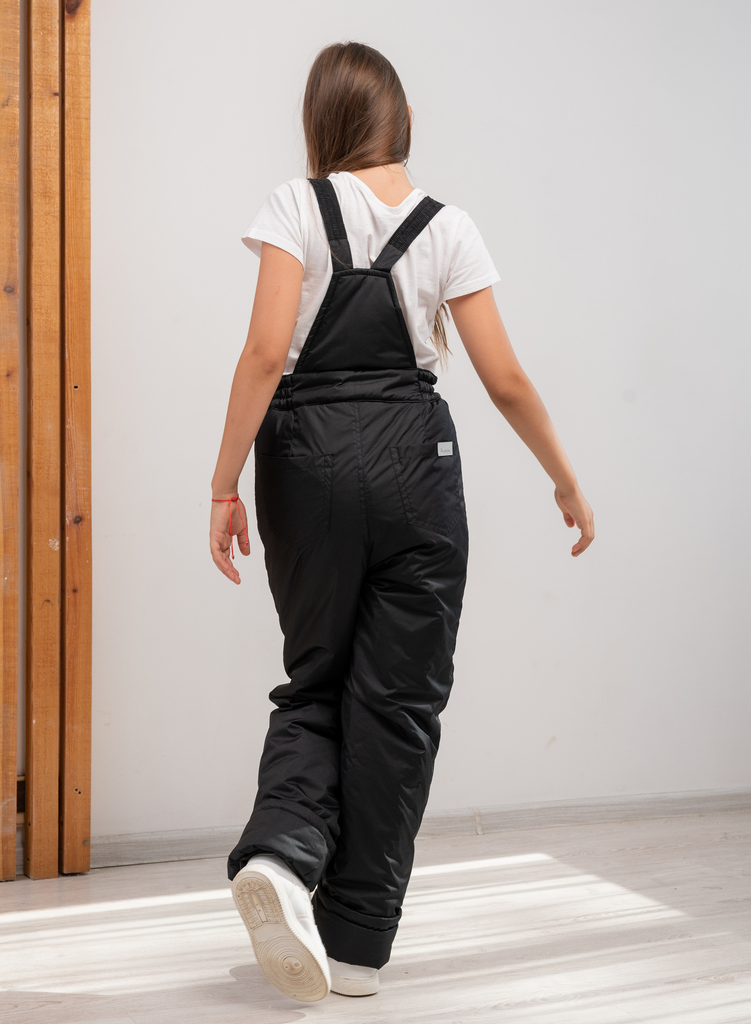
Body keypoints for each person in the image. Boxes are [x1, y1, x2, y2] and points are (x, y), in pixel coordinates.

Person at [209, 41, 594, 1004]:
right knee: (399, 706)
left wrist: (222, 484)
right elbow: (506, 379)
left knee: (317, 680)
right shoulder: (449, 226)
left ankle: (283, 855)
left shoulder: (295, 205)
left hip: (306, 463)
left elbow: (265, 354)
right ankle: (355, 948)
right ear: (403, 121)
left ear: (320, 122)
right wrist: (563, 477)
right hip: (418, 468)